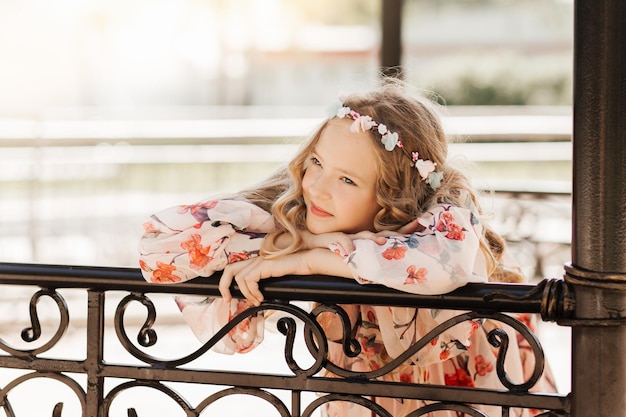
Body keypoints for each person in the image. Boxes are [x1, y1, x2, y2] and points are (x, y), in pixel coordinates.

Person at [138, 79, 555, 416]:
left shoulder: (443, 223)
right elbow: (158, 246)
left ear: (393, 196)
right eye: (316, 163)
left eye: (348, 180)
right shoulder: (309, 215)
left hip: (464, 401)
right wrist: (306, 239)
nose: (317, 186)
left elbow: (438, 269)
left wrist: (314, 260)